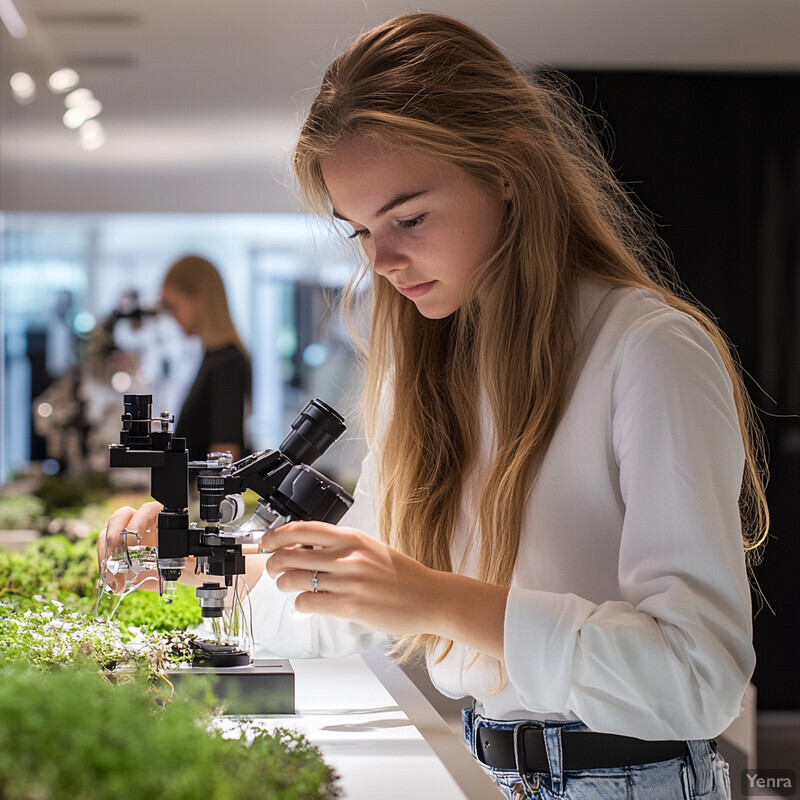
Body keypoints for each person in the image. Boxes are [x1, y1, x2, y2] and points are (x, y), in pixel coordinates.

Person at [103, 14, 768, 799]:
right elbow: (361, 606)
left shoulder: (647, 352)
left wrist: (438, 597)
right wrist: (203, 571)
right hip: (488, 768)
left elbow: (700, 678)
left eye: (410, 218)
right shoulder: (431, 366)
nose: (381, 262)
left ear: (509, 169)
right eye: (360, 232)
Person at [160, 255, 251, 461]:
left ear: (200, 296)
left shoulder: (227, 362)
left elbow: (225, 453)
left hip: (207, 493)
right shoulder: (214, 357)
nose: (172, 317)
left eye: (174, 306)